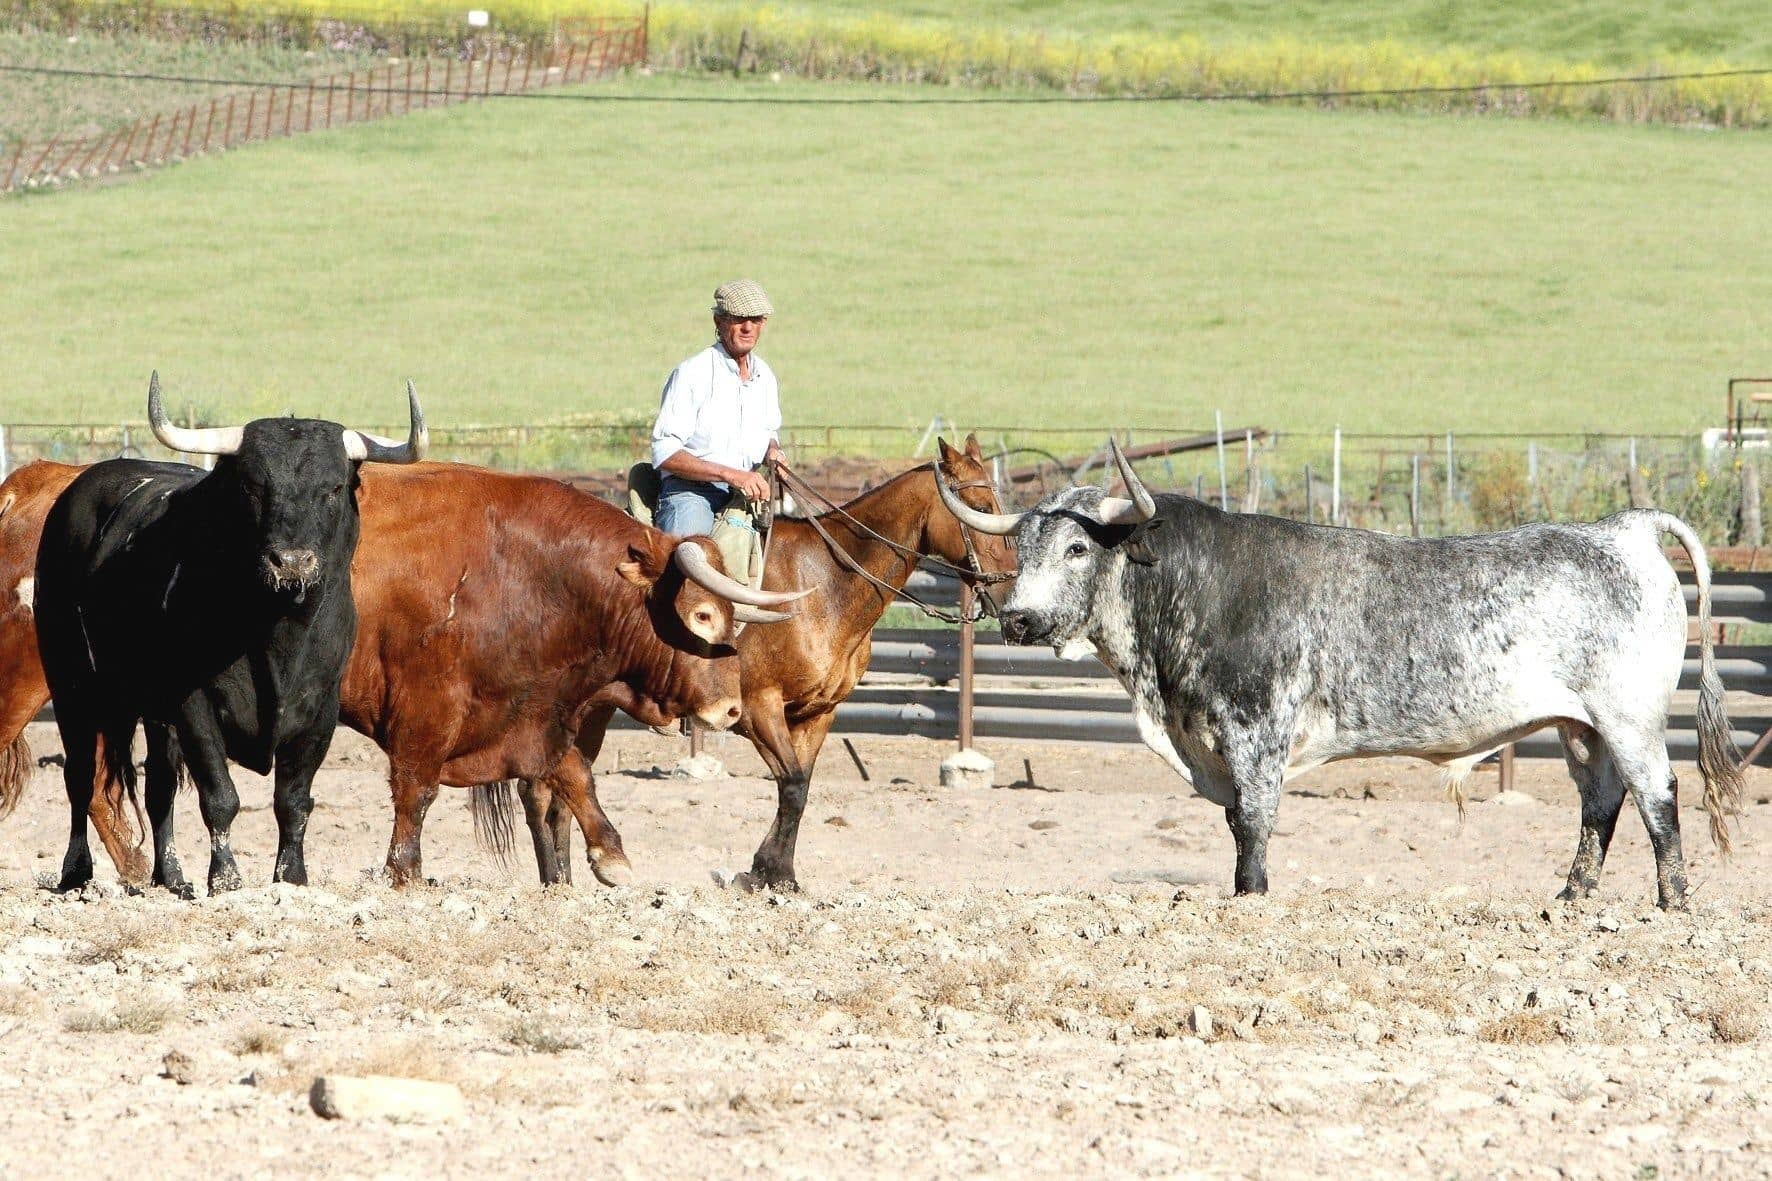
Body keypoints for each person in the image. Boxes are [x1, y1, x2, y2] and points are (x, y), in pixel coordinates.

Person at [650, 279, 786, 537]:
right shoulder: (692, 374)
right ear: (719, 322)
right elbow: (664, 452)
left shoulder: (765, 377)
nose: (747, 327)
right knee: (690, 558)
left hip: (745, 495)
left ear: (763, 324)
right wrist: (730, 475)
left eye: (755, 319)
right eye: (738, 319)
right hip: (691, 493)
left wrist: (774, 453)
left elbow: (769, 433)